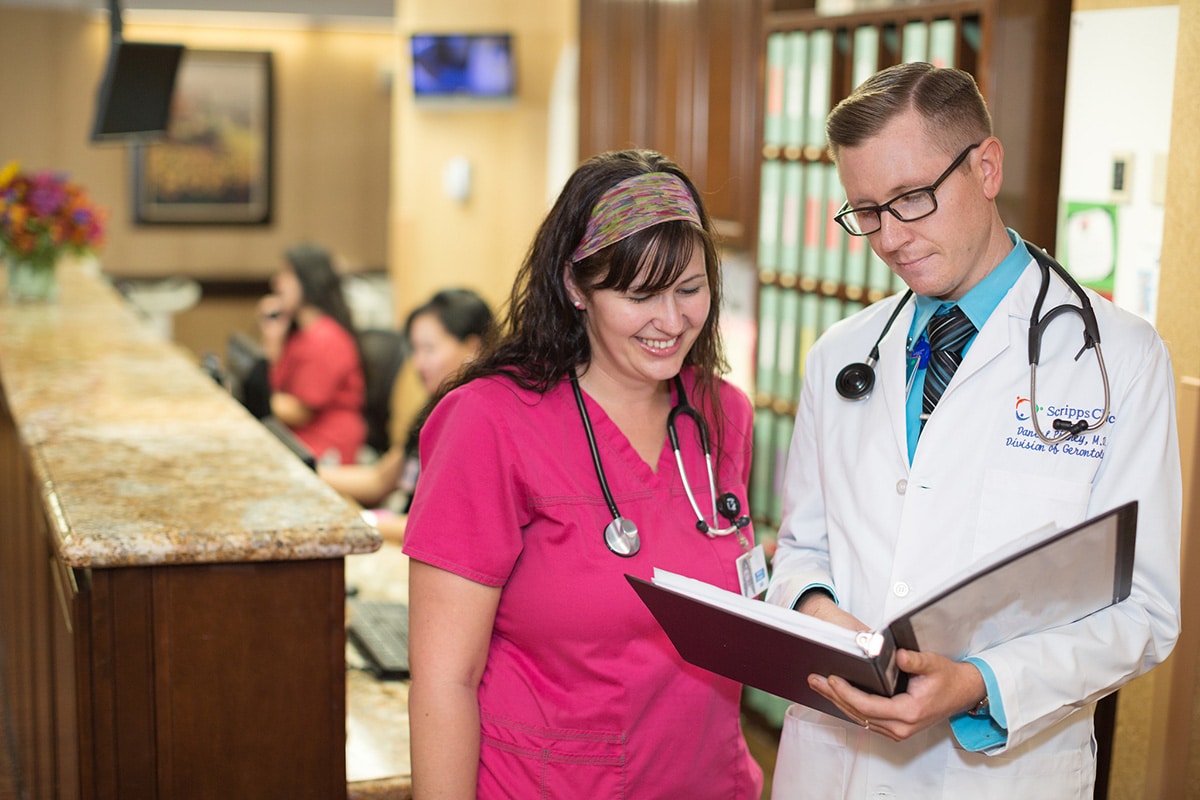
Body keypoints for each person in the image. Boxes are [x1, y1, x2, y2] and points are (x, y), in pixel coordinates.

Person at [765, 61, 1181, 798]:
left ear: (986, 167)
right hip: (834, 760)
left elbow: (1144, 611)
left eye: (911, 198)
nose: (889, 237)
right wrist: (820, 613)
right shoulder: (841, 355)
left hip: (997, 773)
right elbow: (800, 546)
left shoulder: (1117, 359)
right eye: (865, 211)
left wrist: (981, 683)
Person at [401, 149, 765, 798]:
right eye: (640, 295)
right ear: (576, 288)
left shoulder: (721, 415)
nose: (672, 321)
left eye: (689, 290)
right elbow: (443, 682)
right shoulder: (488, 423)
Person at [318, 288, 494, 543]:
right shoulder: (435, 406)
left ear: (473, 348)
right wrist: (308, 473)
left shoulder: (478, 421)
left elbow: (441, 528)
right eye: (415, 350)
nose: (418, 363)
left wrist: (360, 522)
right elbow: (380, 479)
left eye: (429, 349)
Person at [257, 242, 366, 465]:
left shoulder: (326, 338)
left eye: (286, 274)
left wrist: (249, 398)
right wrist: (273, 339)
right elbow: (275, 384)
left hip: (324, 444)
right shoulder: (299, 333)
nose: (276, 283)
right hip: (298, 436)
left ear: (308, 280)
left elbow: (299, 411)